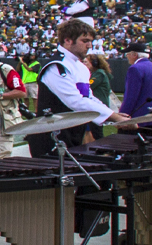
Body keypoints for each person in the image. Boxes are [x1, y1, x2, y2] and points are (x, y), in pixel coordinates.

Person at [24, 20, 129, 160]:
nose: (89, 45)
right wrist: (114, 117)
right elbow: (76, 101)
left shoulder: (80, 67)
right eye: (84, 40)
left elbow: (89, 97)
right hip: (51, 138)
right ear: (67, 40)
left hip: (74, 133)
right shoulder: (56, 66)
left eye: (91, 41)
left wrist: (114, 115)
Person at [117, 43, 152, 133]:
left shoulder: (135, 68)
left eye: (127, 54)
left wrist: (123, 115)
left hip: (138, 116)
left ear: (134, 55)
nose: (126, 57)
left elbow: (131, 95)